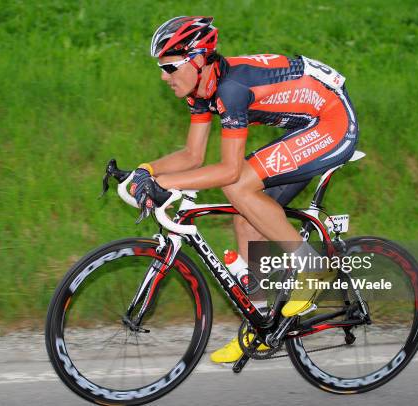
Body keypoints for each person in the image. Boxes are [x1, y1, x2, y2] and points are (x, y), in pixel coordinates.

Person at [129, 16, 359, 363]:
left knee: (238, 184)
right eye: (162, 67)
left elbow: (229, 170)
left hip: (332, 121)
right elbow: (192, 155)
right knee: (246, 219)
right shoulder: (201, 89)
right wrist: (144, 171)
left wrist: (162, 184)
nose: (163, 75)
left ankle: (311, 268)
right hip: (306, 123)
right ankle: (265, 328)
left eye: (170, 66)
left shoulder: (229, 90)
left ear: (197, 60)